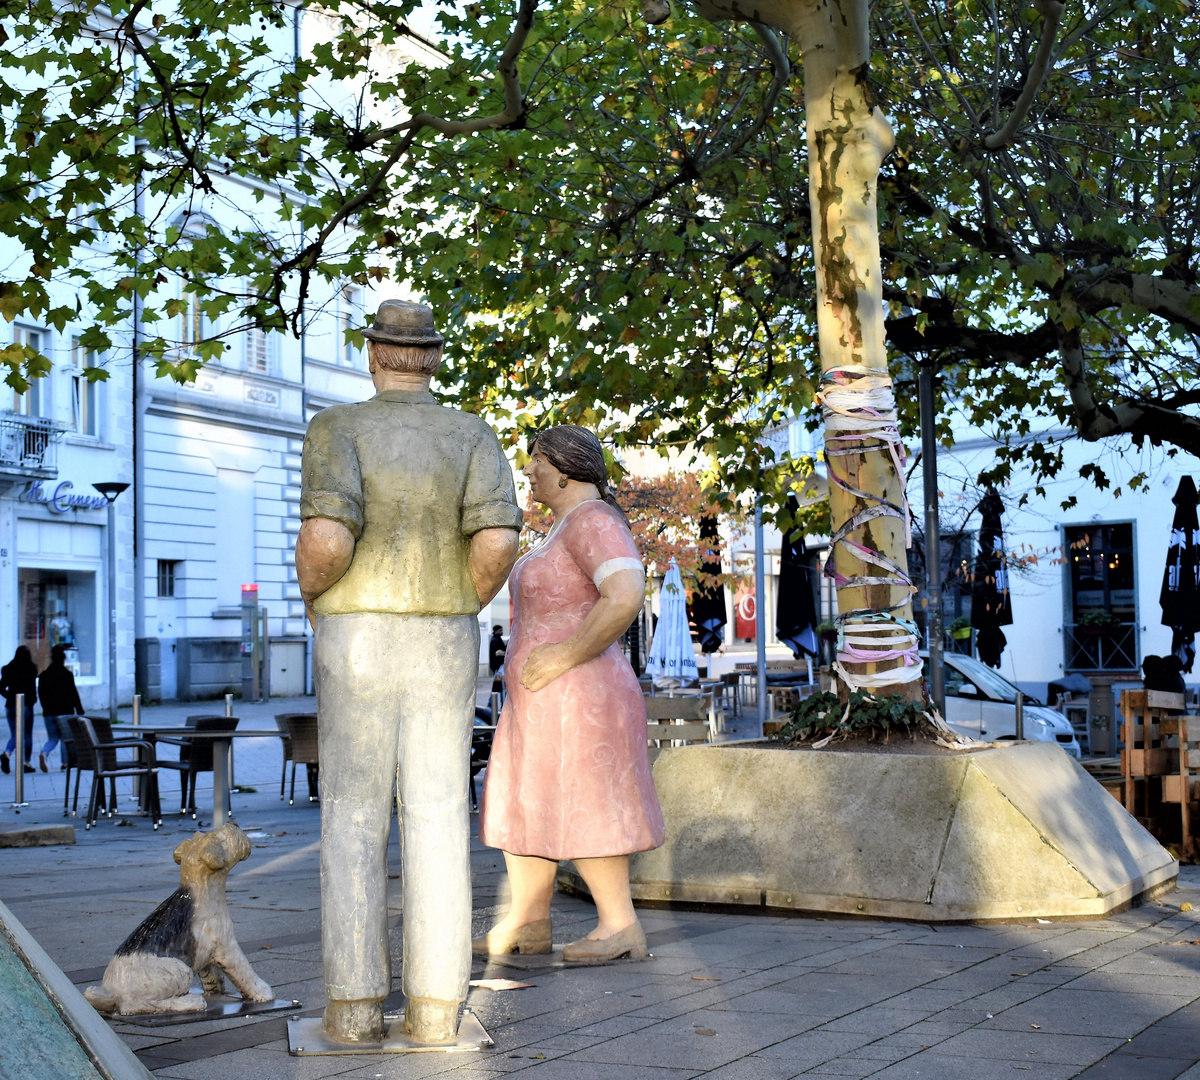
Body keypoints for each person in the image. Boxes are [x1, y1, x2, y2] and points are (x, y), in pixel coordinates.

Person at [296, 299, 522, 1046]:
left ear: (372, 353)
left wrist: (315, 599)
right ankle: (434, 1010)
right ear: (431, 357)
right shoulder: (470, 433)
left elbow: (328, 534)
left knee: (353, 817)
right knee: (436, 813)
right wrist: (459, 600)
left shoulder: (337, 428)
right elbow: (495, 539)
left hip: (356, 627)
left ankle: (354, 1006)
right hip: (443, 630)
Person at [477, 425, 665, 962]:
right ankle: (528, 920)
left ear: (564, 468)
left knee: (588, 800)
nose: (529, 469)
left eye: (537, 459)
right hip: (546, 701)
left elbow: (625, 593)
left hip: (579, 696)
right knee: (528, 798)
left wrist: (565, 654)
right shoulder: (565, 527)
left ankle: (619, 925)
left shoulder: (592, 521)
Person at [38, 644, 84, 771]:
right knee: (66, 738)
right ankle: (65, 763)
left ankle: (44, 753)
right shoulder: (67, 675)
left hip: (49, 712)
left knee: (52, 738)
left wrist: (46, 708)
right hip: (65, 712)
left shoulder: (43, 676)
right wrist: (79, 709)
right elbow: (73, 693)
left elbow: (41, 694)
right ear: (63, 659)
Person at [0, 645, 38, 774]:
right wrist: (33, 700)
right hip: (25, 705)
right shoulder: (31, 668)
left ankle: (7, 754)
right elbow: (32, 688)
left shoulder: (7, 669)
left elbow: (1, 687)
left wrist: (10, 696)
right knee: (26, 734)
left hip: (11, 706)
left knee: (15, 734)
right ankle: (25, 762)